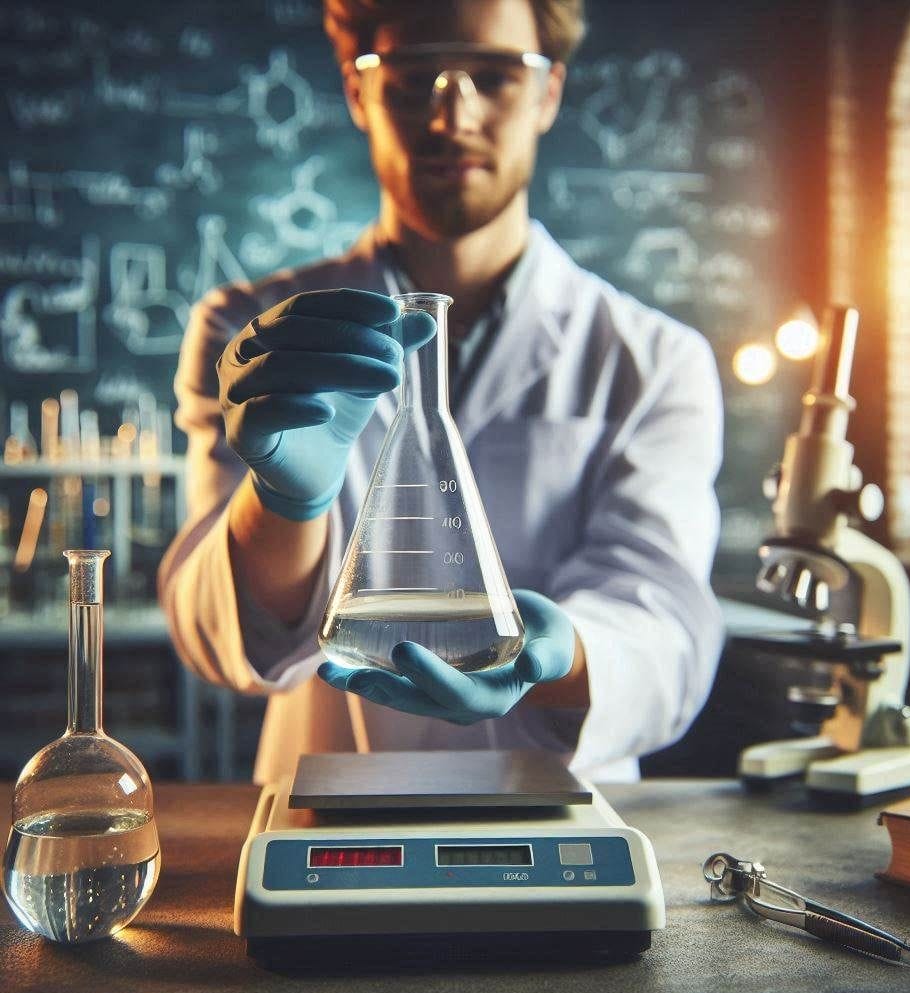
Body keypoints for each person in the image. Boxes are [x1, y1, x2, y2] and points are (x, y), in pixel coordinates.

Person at [158, 0, 724, 785]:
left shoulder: (656, 358)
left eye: (492, 76)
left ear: (549, 94)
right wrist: (282, 506)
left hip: (559, 814)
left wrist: (559, 657)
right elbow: (209, 634)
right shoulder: (250, 333)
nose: (450, 113)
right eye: (413, 77)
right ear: (359, 96)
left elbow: (667, 623)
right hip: (329, 802)